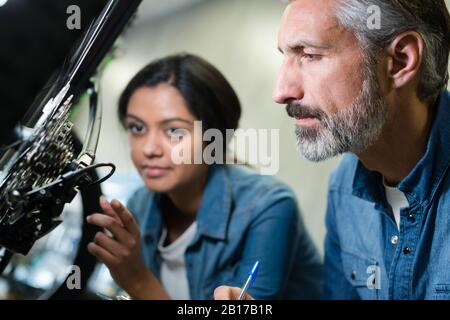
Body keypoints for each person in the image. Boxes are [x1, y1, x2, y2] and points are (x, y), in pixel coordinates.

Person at [215, 0, 450, 300]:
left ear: (400, 61)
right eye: (285, 57)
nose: (281, 92)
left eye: (310, 55)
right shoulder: (343, 187)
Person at [86, 53, 322, 300]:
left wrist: (138, 280)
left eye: (174, 131)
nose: (149, 149)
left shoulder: (268, 206)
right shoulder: (139, 206)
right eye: (137, 128)